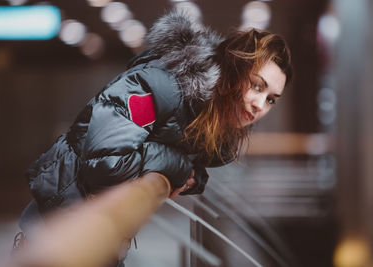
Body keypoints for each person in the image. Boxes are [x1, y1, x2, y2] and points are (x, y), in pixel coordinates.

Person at [15, 10, 292, 264]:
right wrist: (177, 166)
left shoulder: (205, 116)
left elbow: (174, 153)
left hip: (99, 238)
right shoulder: (161, 86)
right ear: (233, 70)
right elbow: (105, 162)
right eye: (257, 86)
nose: (260, 104)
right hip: (56, 233)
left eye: (271, 99)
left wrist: (191, 174)